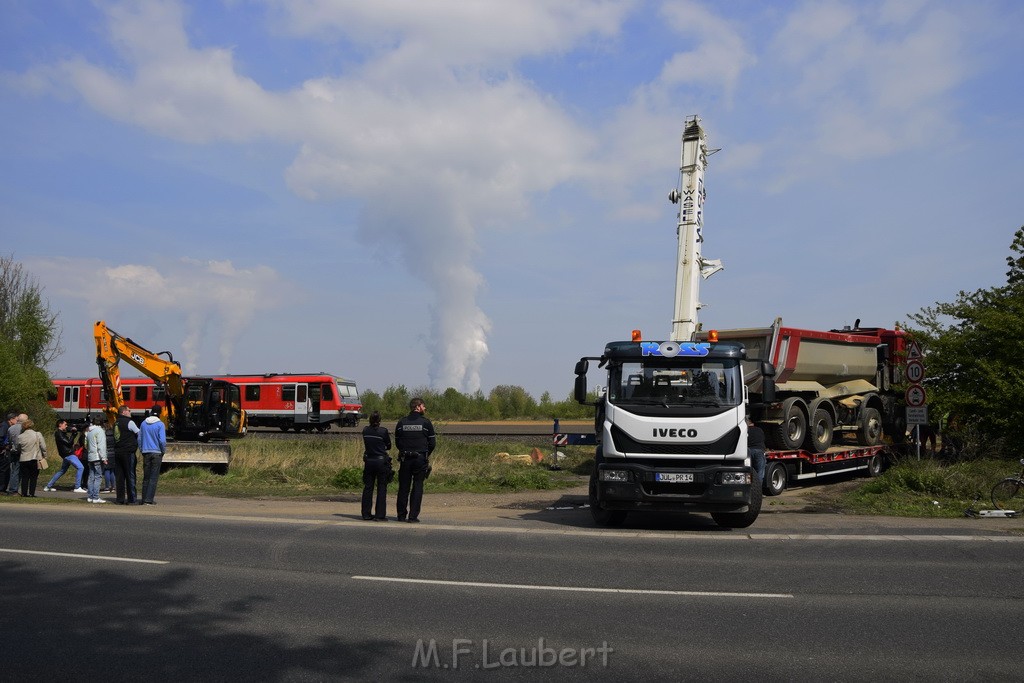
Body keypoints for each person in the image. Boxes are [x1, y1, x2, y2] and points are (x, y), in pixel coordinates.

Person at [394, 397, 436, 523]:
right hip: (420, 458)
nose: (425, 408)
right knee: (417, 487)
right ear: (417, 407)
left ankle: (401, 515)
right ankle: (412, 517)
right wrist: (425, 455)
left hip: (405, 458)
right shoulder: (426, 423)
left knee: (403, 487)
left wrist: (404, 450)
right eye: (423, 406)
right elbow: (432, 443)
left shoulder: (402, 422)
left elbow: (397, 442)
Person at [360, 411, 393, 521]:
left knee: (368, 487)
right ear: (379, 421)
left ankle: (366, 514)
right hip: (380, 461)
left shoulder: (365, 430)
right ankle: (380, 515)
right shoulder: (383, 431)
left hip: (369, 460)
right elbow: (389, 446)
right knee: (381, 488)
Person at [43, 419, 85, 492]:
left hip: (66, 454)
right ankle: (77, 487)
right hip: (68, 454)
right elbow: (68, 443)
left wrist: (73, 431)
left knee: (62, 471)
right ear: (60, 425)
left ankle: (48, 486)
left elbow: (68, 441)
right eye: (65, 425)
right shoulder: (59, 434)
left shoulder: (61, 432)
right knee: (80, 467)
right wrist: (73, 434)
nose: (66, 426)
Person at [138, 405, 167, 505]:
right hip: (157, 452)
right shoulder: (160, 424)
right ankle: (149, 499)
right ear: (159, 413)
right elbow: (162, 440)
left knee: (146, 477)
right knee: (153, 477)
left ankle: (143, 498)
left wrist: (142, 449)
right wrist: (163, 451)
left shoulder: (143, 423)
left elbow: (139, 438)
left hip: (146, 452)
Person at [113, 405, 140, 504]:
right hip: (128, 452)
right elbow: (139, 433)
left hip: (118, 452)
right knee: (130, 476)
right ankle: (132, 499)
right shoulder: (129, 422)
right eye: (129, 410)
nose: (130, 412)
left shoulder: (116, 422)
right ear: (123, 412)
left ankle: (120, 499)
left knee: (120, 477)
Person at [16, 418, 47, 497]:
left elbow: (18, 448)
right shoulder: (37, 434)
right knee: (33, 477)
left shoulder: (20, 436)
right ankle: (32, 493)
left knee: (24, 477)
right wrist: (45, 455)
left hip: (23, 459)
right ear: (31, 425)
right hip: (35, 458)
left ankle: (24, 493)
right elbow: (43, 447)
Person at [84, 413, 109, 503]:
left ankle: (90, 496)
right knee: (98, 477)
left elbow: (86, 444)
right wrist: (104, 458)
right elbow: (101, 446)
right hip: (97, 456)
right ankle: (96, 497)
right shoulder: (100, 431)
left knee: (91, 476)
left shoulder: (89, 431)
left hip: (90, 456)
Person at [5, 413, 27, 495]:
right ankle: (13, 489)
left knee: (14, 470)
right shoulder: (24, 428)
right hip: (21, 452)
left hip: (13, 451)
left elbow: (10, 440)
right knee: (18, 471)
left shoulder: (11, 428)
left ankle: (13, 488)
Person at [746, 417, 766, 485]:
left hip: (749, 451)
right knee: (760, 472)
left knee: (748, 472)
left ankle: (749, 489)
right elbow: (763, 439)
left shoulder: (746, 431)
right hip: (759, 451)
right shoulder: (760, 430)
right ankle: (758, 491)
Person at [0, 412, 16, 494]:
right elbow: (1, 437)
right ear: (11, 419)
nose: (17, 421)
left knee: (6, 470)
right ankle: (1, 489)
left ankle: (3, 488)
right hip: (3, 452)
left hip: (5, 451)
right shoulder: (4, 426)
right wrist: (4, 446)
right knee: (3, 470)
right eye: (16, 419)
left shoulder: (7, 426)